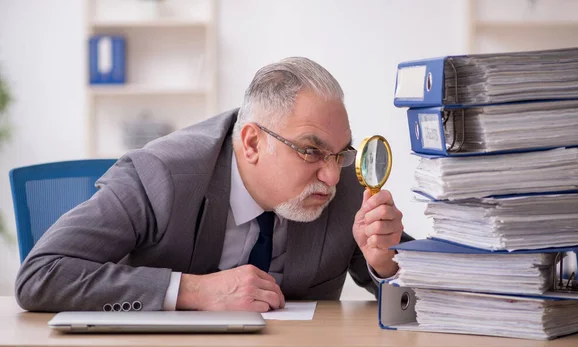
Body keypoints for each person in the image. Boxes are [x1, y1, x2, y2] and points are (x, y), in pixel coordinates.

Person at [15, 57, 411, 313]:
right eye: (310, 150)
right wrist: (193, 291)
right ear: (253, 142)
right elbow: (41, 275)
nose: (330, 174)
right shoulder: (160, 176)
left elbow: (438, 305)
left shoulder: (345, 186)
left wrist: (387, 266)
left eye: (340, 152)